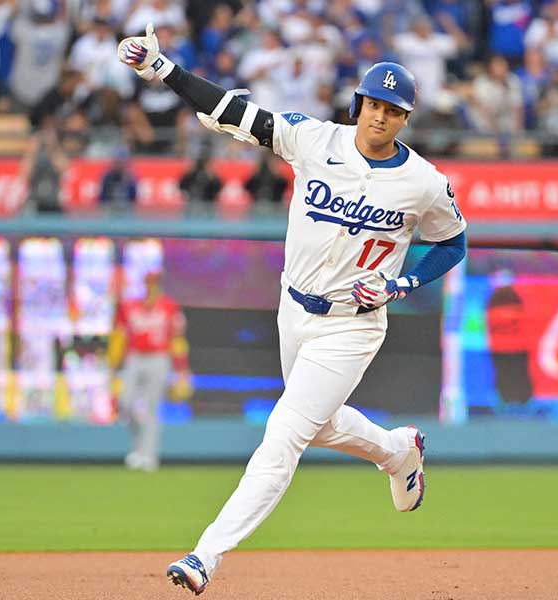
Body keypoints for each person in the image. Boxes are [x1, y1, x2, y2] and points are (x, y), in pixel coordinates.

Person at [118, 24, 467, 595]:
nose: (379, 116)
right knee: (321, 424)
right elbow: (238, 114)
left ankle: (205, 555)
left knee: (283, 434)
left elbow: (453, 243)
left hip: (352, 326)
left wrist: (403, 283)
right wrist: (163, 71)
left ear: (406, 118)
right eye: (372, 104)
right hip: (293, 310)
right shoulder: (316, 140)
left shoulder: (423, 183)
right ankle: (398, 451)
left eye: (392, 109)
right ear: (359, 105)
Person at [109, 269, 190, 472]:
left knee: (152, 408)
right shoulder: (130, 306)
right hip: (135, 357)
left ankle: (149, 455)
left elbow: (177, 339)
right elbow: (119, 337)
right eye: (148, 283)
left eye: (154, 283)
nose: (150, 286)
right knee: (125, 404)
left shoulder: (169, 307)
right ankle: (139, 447)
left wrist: (182, 369)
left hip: (159, 358)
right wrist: (112, 365)